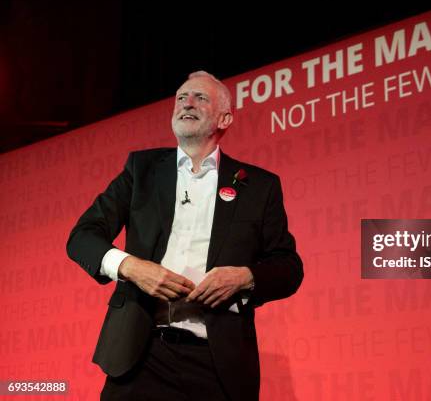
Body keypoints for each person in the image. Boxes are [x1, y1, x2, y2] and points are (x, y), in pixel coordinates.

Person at [67, 71, 303, 401]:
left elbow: (289, 267)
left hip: (216, 362)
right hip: (140, 354)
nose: (186, 103)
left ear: (225, 117)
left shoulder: (258, 186)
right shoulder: (142, 170)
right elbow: (82, 237)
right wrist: (133, 267)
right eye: (181, 97)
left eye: (200, 98)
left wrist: (245, 277)